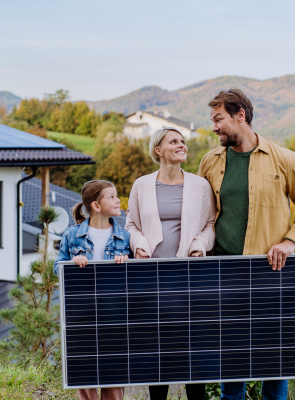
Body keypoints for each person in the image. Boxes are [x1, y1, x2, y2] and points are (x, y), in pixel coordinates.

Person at [198, 88, 295, 400]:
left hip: (271, 272)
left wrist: (291, 241)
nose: (214, 127)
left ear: (241, 116)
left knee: (274, 357)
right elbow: (199, 214)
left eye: (218, 119)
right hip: (223, 273)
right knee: (233, 357)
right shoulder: (209, 162)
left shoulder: (285, 160)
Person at [125, 127, 216, 400]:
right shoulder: (141, 185)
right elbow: (130, 224)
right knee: (158, 346)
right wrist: (139, 244)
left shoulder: (200, 185)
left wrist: (200, 245)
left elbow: (210, 225)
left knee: (192, 346)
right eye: (174, 141)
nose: (182, 145)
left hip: (190, 277)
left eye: (183, 141)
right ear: (158, 150)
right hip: (153, 278)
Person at [53, 179, 130, 400]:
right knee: (85, 372)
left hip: (113, 314)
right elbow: (56, 268)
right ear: (96, 205)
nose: (118, 200)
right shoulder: (71, 235)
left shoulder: (124, 237)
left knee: (113, 374)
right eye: (112, 196)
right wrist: (72, 263)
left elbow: (135, 279)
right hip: (83, 314)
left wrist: (125, 262)